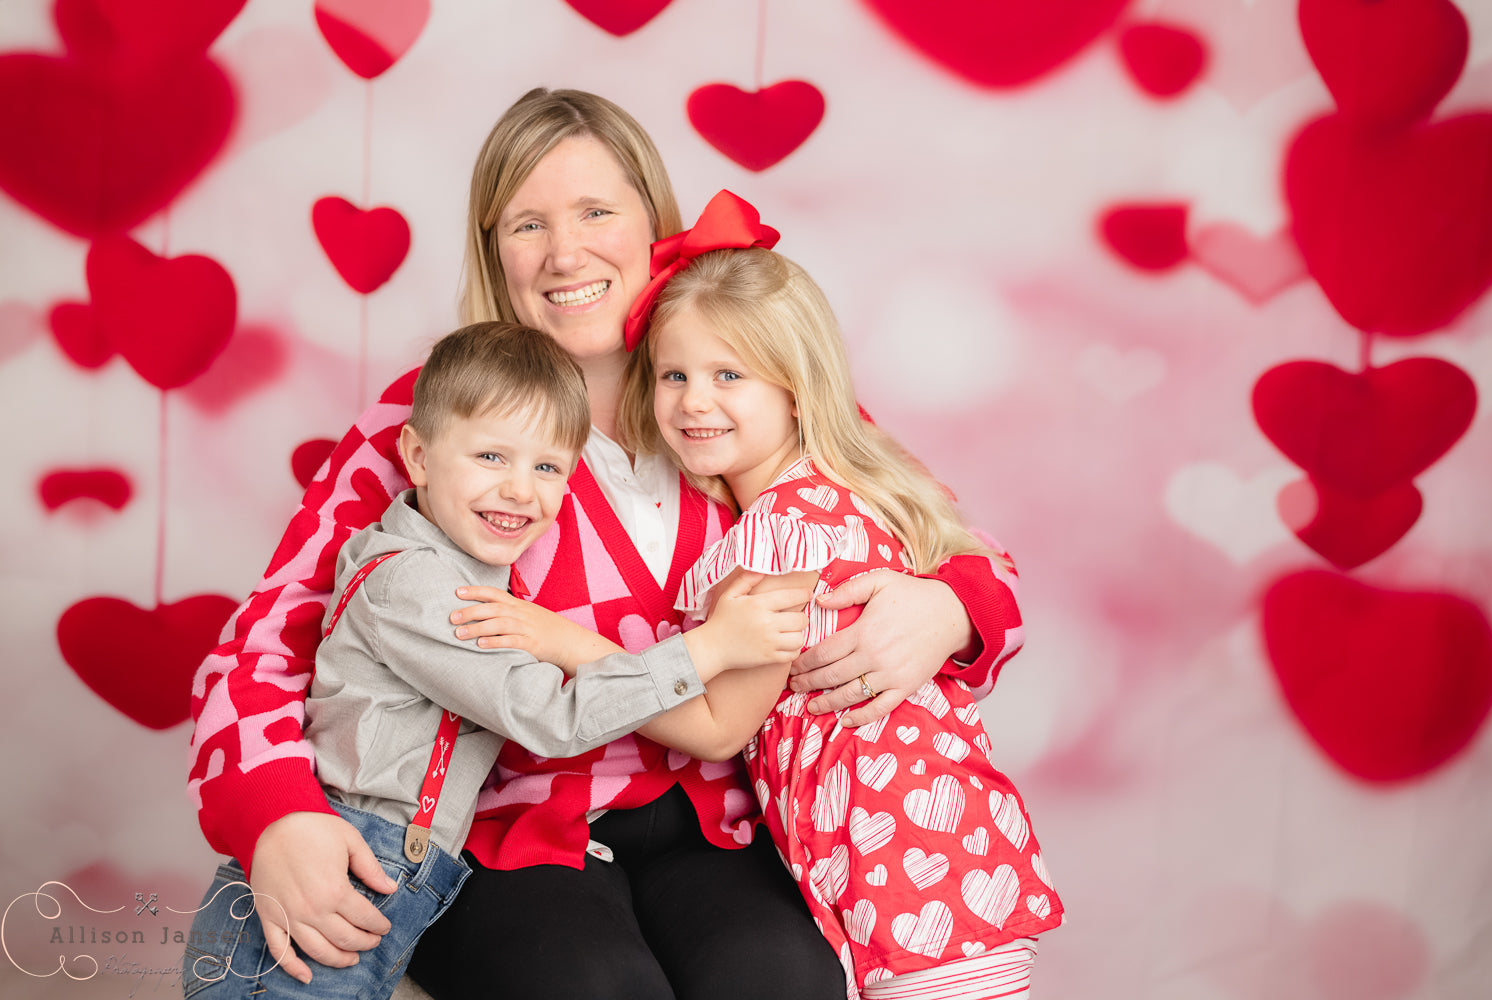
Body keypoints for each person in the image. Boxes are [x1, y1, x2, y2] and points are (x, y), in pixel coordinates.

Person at [187, 88, 1027, 1000]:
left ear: (652, 223)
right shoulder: (437, 413)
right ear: (491, 251)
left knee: (783, 984)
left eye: (596, 211)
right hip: (508, 843)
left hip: (719, 834)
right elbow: (266, 643)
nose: (564, 252)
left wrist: (948, 608)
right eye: (526, 225)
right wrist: (276, 818)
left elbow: (948, 541)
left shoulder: (730, 391)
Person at [510, 190, 1061, 999]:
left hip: (901, 879)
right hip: (947, 851)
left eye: (728, 375)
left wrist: (561, 642)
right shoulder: (857, 488)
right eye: (673, 375)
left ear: (795, 391)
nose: (694, 401)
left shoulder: (776, 539)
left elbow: (715, 727)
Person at [181, 322, 808, 999]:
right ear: (416, 457)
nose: (519, 491)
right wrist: (708, 648)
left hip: (407, 878)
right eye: (490, 458)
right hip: (345, 865)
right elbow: (551, 716)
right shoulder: (416, 586)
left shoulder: (470, 571)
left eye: (547, 468)